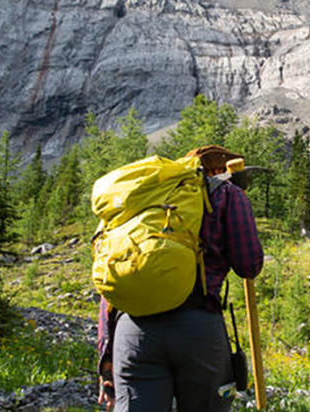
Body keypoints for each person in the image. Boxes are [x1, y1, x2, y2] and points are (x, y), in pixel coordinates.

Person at [96, 147, 265, 412]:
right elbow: (249, 264)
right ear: (222, 170)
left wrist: (106, 360)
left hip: (133, 330)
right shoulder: (227, 194)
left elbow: (109, 285)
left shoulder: (134, 202)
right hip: (197, 327)